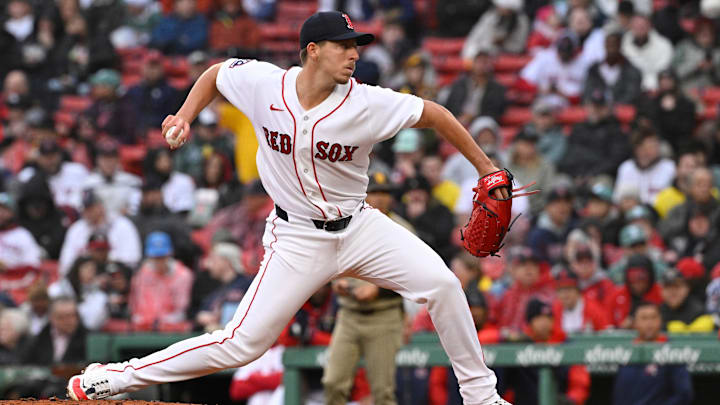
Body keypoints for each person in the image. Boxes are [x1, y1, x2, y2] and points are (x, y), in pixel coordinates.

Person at [68, 11, 515, 405]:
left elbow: (435, 114)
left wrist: (487, 169)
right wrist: (185, 114)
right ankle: (114, 378)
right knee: (242, 344)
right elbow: (216, 74)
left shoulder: (368, 103)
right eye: (344, 46)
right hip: (297, 236)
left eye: (356, 46)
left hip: (359, 228)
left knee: (442, 284)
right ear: (313, 51)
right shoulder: (265, 84)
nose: (354, 54)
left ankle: (482, 397)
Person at [323, 175, 408, 405]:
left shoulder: (402, 229)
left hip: (384, 316)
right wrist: (335, 279)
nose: (380, 198)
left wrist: (379, 291)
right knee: (333, 383)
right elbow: (330, 256)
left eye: (385, 193)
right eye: (375, 192)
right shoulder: (348, 223)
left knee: (383, 392)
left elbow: (414, 277)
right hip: (349, 315)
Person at [612, 302, 694, 405]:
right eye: (644, 318)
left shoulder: (671, 350)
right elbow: (620, 393)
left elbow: (684, 394)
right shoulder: (626, 351)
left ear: (660, 320)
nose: (649, 323)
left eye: (653, 317)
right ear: (635, 323)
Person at [59, 190, 142, 276]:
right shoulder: (76, 229)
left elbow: (132, 260)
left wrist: (103, 261)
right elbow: (65, 264)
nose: (88, 212)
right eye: (85, 209)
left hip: (115, 277)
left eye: (91, 207)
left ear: (101, 206)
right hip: (83, 281)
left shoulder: (122, 225)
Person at [129, 232, 194, 331]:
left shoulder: (183, 275)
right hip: (144, 328)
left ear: (170, 254)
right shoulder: (142, 274)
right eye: (155, 257)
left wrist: (160, 321)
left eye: (162, 257)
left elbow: (181, 311)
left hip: (172, 329)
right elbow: (136, 307)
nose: (159, 261)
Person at [439, 50, 508, 125]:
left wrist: (472, 117)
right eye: (479, 62)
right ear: (473, 64)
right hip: (458, 120)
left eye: (485, 62)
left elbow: (494, 112)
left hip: (482, 123)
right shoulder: (459, 84)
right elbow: (450, 105)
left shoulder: (497, 88)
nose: (481, 66)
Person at [613, 127, 676, 205]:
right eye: (650, 145)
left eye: (656, 144)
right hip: (632, 213)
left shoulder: (669, 167)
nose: (655, 148)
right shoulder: (626, 167)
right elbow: (618, 198)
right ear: (638, 148)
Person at [82, 138, 142, 217]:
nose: (109, 163)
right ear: (97, 160)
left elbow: (136, 207)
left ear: (118, 160)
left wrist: (130, 211)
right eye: (105, 159)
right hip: (96, 224)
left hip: (124, 223)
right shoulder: (88, 183)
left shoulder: (132, 181)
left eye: (112, 158)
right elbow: (81, 208)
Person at [22, 297, 87, 365]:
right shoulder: (39, 339)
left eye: (73, 316)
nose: (69, 321)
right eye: (62, 317)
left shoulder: (87, 338)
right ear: (52, 318)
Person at [583, 32, 642, 105]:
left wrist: (612, 108)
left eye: (614, 45)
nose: (611, 49)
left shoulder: (631, 71)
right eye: (609, 44)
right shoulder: (593, 69)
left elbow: (632, 95)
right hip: (597, 111)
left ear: (620, 46)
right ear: (604, 45)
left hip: (621, 111)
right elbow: (588, 92)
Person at [606, 254, 663, 328]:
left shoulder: (661, 293)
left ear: (650, 276)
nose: (637, 282)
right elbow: (607, 327)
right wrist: (622, 328)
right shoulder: (615, 296)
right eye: (632, 277)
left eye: (642, 277)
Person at [461, 0, 530, 57]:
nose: (499, 8)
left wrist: (502, 43)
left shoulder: (521, 21)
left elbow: (518, 47)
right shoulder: (491, 16)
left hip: (507, 57)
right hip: (481, 52)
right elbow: (474, 37)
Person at [552, 269, 612, 334]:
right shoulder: (555, 310)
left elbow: (606, 334)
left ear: (577, 291)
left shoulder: (593, 309)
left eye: (569, 289)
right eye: (560, 291)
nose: (564, 295)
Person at [0, 192, 42, 271]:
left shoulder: (22, 235)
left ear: (12, 213)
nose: (0, 213)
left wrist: (8, 267)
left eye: (4, 209)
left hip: (15, 278)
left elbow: (33, 263)